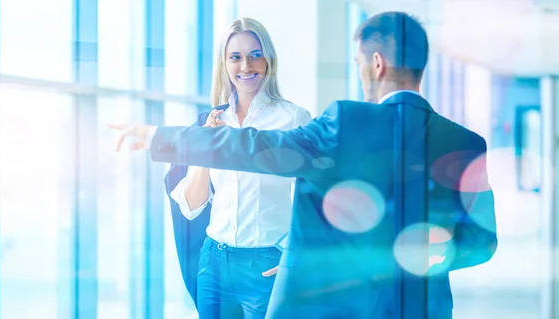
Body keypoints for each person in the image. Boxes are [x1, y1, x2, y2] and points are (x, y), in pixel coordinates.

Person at [111, 12, 497, 318]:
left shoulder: (346, 121)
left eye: (360, 63)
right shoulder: (466, 143)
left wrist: (159, 136)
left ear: (376, 64)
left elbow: (255, 147)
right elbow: (482, 242)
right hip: (425, 308)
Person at [163, 17, 311, 319]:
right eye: (236, 57)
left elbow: (315, 198)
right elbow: (191, 206)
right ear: (224, 64)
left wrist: (295, 255)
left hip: (267, 266)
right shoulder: (211, 122)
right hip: (213, 265)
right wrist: (206, 145)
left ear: (268, 59)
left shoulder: (294, 119)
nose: (246, 66)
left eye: (255, 55)